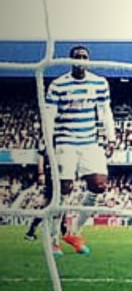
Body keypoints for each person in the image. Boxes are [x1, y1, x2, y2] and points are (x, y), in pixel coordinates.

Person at [42, 45, 116, 255]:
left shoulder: (99, 83)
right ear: (71, 60)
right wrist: (48, 142)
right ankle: (54, 238)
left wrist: (111, 138)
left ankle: (74, 232)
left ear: (88, 60)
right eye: (77, 57)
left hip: (90, 142)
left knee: (99, 185)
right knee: (64, 189)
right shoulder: (58, 85)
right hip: (65, 142)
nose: (81, 60)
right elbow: (49, 115)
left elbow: (105, 111)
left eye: (84, 57)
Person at [24, 141, 69, 255]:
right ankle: (34, 232)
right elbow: (41, 156)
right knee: (52, 205)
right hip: (51, 176)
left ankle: (63, 233)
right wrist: (41, 173)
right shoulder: (49, 139)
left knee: (58, 206)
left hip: (60, 176)